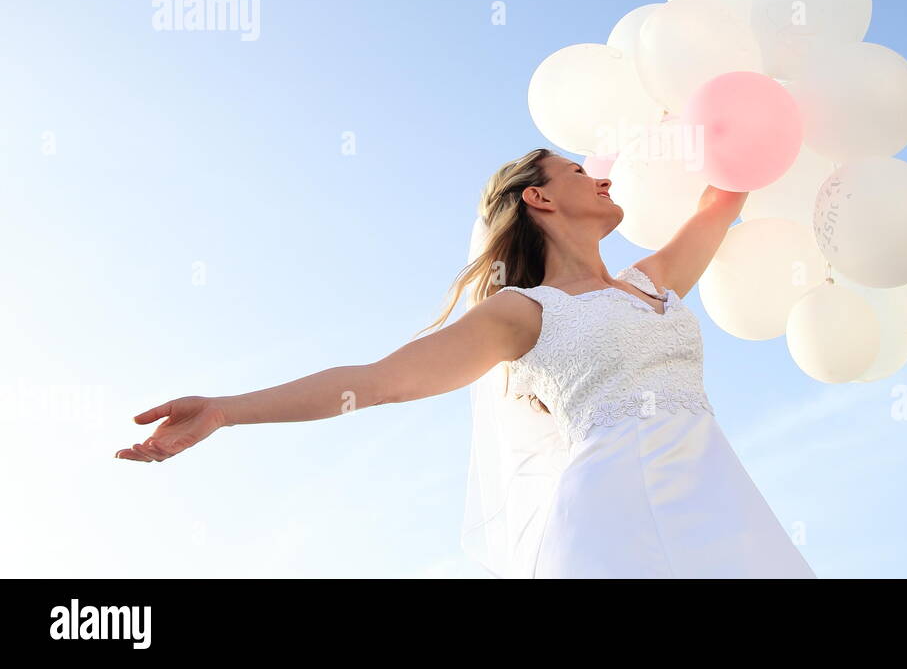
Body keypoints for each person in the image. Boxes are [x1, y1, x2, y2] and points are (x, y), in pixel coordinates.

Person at [116, 147, 816, 579]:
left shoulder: (650, 282)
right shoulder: (522, 313)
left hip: (714, 492)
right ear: (539, 198)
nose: (600, 176)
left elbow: (724, 198)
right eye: (579, 169)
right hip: (613, 510)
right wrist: (228, 411)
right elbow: (378, 382)